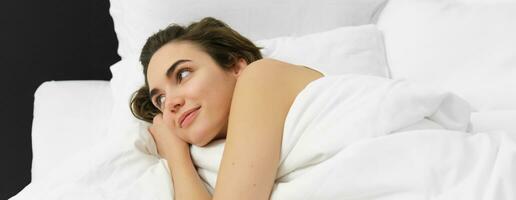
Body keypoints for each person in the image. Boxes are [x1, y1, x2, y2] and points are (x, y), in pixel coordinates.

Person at [130, 17, 323, 200]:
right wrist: (176, 155)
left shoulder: (261, 75)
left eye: (184, 74)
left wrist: (176, 157)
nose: (171, 103)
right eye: (160, 99)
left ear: (236, 66)